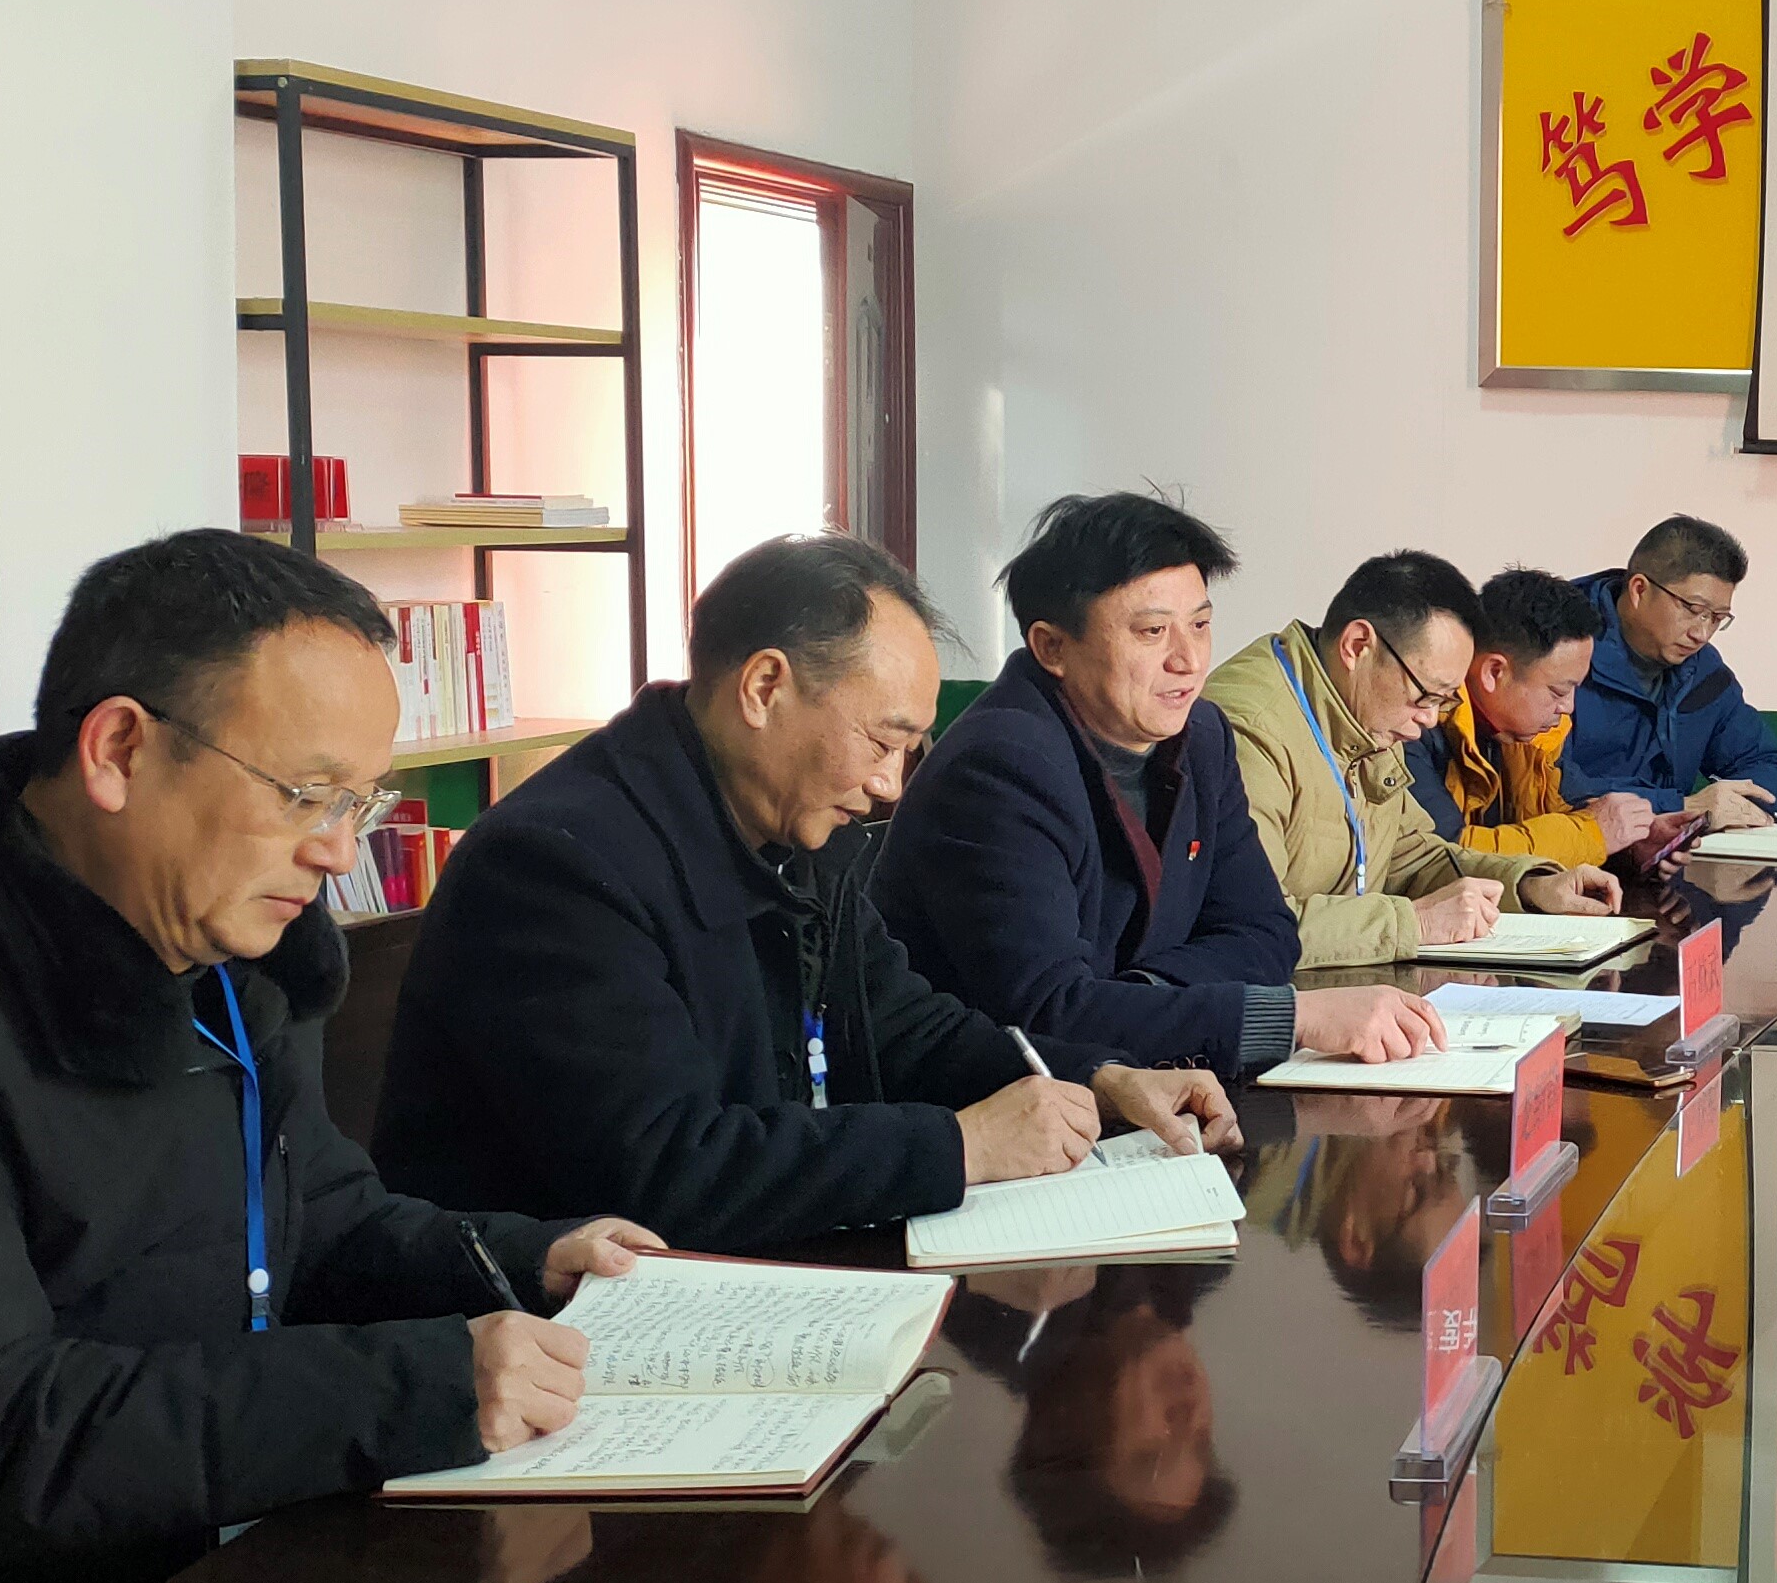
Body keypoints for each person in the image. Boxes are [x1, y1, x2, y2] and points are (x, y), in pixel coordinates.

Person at [0, 530, 650, 1583]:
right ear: (119, 750)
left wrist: (532, 1261)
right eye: (306, 794)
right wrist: (414, 1387)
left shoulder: (231, 954)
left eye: (360, 801)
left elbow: (321, 1218)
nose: (336, 849)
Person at [376, 533, 1229, 1254]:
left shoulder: (794, 827)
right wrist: (961, 1145)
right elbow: (661, 1167)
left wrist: (1100, 1080)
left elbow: (904, 1026)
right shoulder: (557, 864)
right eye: (882, 742)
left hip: (761, 1266)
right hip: (561, 1333)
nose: (891, 785)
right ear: (764, 688)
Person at [878, 493, 1443, 1080]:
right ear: (1052, 647)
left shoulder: (1202, 736)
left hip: (1138, 1083)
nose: (1189, 660)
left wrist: (1136, 995)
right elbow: (1047, 1013)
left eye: (1200, 625)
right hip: (992, 1106)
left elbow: (1267, 933)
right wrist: (1287, 1017)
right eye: (1152, 632)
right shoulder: (1000, 765)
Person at [1206, 551, 1621, 969]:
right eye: (1426, 696)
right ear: (1357, 646)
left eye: (1444, 700)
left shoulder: (1365, 712)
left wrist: (1531, 886)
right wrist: (1415, 923)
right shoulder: (1249, 731)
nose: (1430, 720)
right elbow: (1251, 928)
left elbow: (1414, 857)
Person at [1559, 516, 1777, 831]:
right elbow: (1550, 786)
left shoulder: (1703, 670)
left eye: (1717, 618)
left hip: (1666, 853)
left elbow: (1773, 766)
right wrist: (1681, 806)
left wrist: (1729, 806)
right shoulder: (1558, 650)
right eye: (1693, 609)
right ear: (1639, 590)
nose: (1702, 634)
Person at [1407, 564, 1657, 866]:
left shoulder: (1535, 735)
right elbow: (1446, 854)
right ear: (1494, 672)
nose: (1568, 707)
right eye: (1558, 691)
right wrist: (1593, 836)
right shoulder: (1413, 724)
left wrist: (1633, 844)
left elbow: (1577, 810)